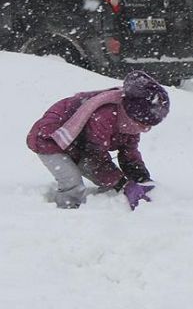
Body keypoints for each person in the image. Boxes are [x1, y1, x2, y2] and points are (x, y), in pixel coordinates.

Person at [26, 71, 170, 210]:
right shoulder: (105, 116)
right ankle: (66, 213)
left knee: (109, 182)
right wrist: (122, 183)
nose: (146, 129)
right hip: (51, 139)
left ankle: (104, 206)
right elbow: (93, 158)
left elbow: (129, 152)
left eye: (151, 125)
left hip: (80, 146)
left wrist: (142, 178)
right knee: (72, 183)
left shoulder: (130, 123)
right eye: (144, 124)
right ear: (133, 115)